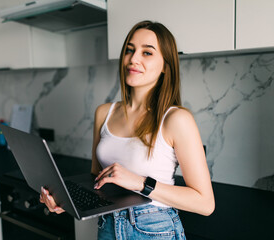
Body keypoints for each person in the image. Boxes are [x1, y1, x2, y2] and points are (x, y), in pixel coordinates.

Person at [40, 20, 215, 239]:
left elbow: (205, 203)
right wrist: (65, 199)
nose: (133, 59)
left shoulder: (176, 119)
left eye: (147, 53)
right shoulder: (104, 113)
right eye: (130, 50)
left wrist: (141, 183)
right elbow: (97, 178)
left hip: (154, 228)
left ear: (165, 66)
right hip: (108, 224)